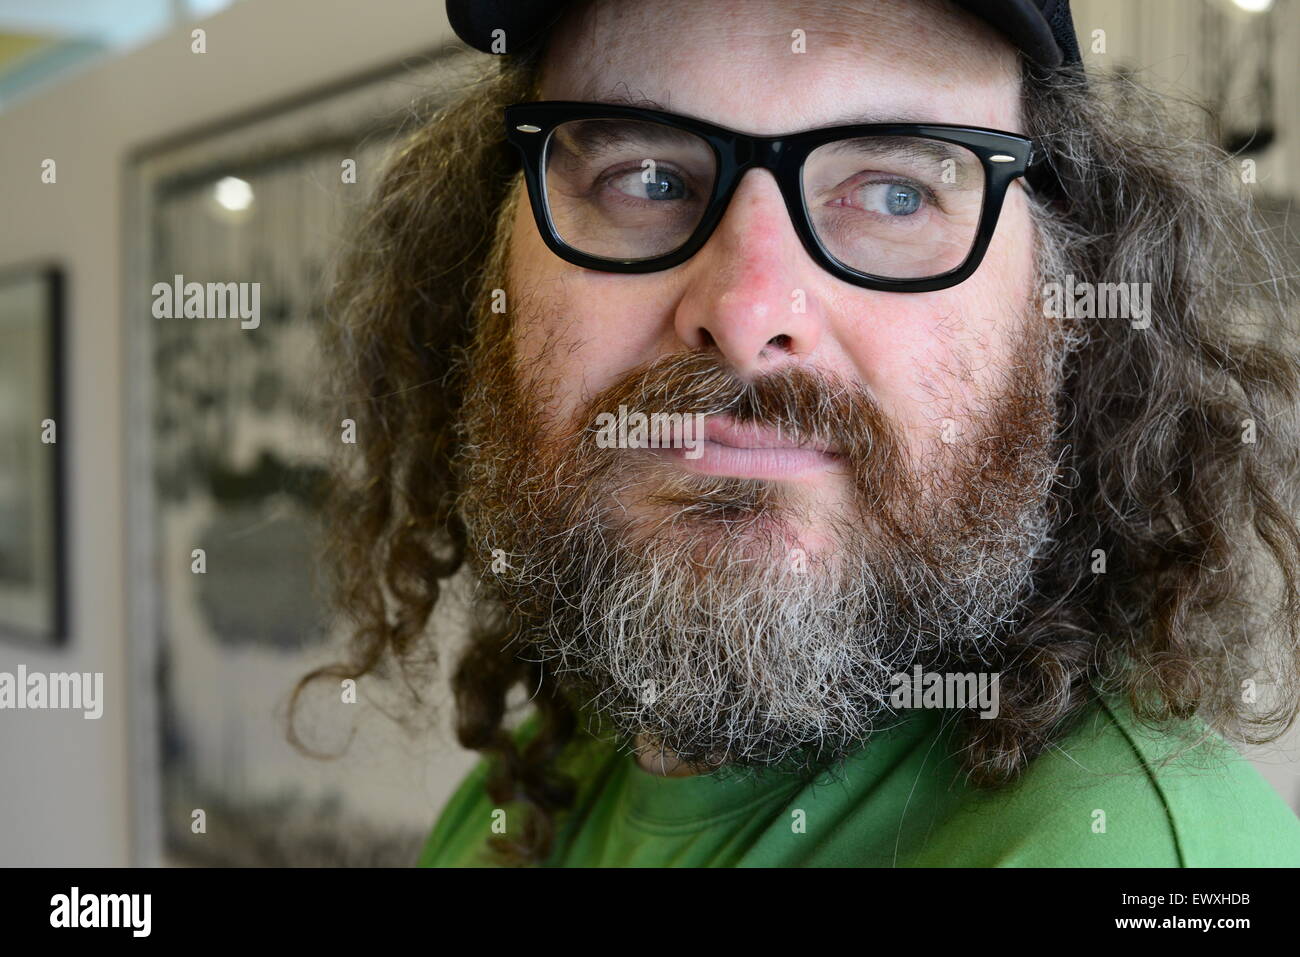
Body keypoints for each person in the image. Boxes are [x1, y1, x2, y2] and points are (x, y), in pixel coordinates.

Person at [301, 0, 1300, 866]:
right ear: (488, 265)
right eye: (644, 177)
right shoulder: (523, 800)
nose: (746, 310)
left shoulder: (1119, 853)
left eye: (896, 193)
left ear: (1061, 302)